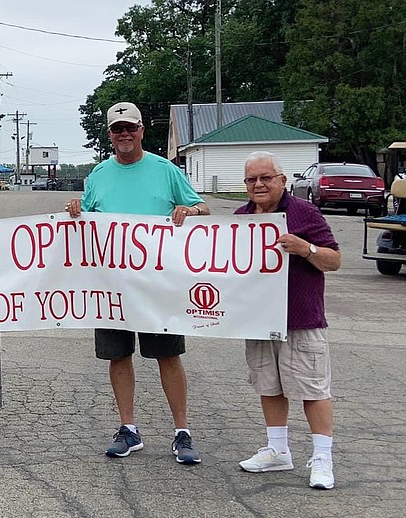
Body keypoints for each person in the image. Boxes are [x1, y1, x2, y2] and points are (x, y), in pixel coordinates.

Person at [67, 102, 209, 465]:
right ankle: (128, 428)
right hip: (112, 285)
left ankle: (182, 432)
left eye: (130, 127)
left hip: (158, 284)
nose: (124, 134)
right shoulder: (98, 174)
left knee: (168, 355)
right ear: (110, 135)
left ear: (142, 130)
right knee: (118, 355)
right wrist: (75, 212)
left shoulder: (164, 170)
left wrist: (189, 211)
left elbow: (203, 209)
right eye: (117, 129)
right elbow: (87, 220)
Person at [235, 151, 341, 489]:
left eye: (266, 177)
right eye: (252, 179)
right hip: (260, 319)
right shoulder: (240, 218)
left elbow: (334, 259)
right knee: (269, 385)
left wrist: (305, 249)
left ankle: (322, 457)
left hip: (301, 318)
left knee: (312, 388)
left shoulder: (303, 213)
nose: (259, 184)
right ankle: (278, 450)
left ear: (282, 180)